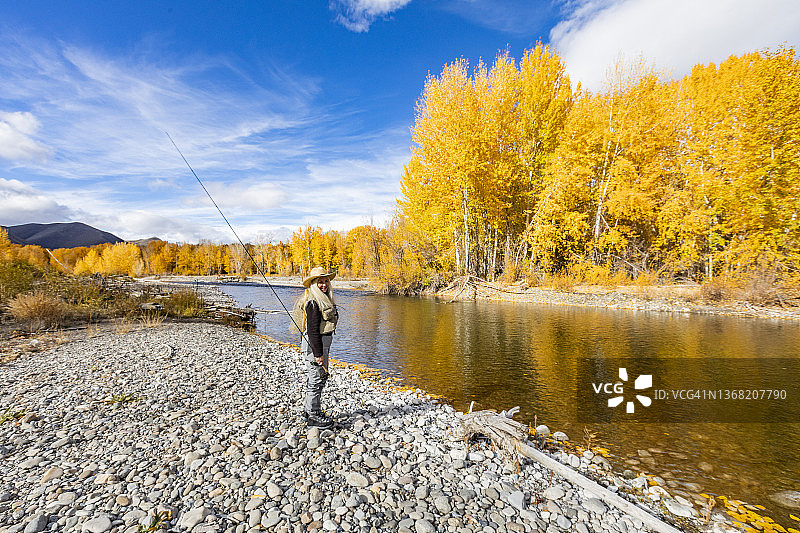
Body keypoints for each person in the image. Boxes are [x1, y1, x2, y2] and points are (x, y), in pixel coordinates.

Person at [299, 267, 339, 428]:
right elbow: (313, 331)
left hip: (322, 345)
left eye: (326, 281)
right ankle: (313, 415)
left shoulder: (325, 298)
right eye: (320, 282)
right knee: (316, 380)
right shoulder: (313, 303)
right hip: (315, 346)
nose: (324, 285)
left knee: (317, 379)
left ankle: (309, 411)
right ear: (313, 284)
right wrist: (318, 354)